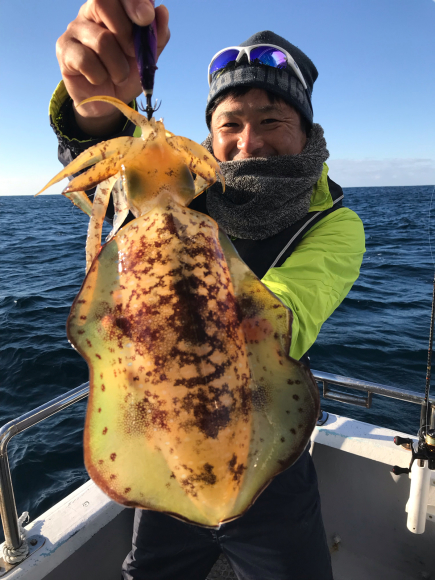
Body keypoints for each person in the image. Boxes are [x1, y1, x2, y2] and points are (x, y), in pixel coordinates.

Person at [51, 1, 365, 578]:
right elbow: (102, 186)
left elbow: (280, 318)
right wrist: (94, 113)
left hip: (264, 446)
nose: (249, 142)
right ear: (208, 137)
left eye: (272, 121)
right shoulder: (177, 194)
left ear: (306, 127)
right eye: (230, 124)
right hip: (164, 438)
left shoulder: (334, 223)